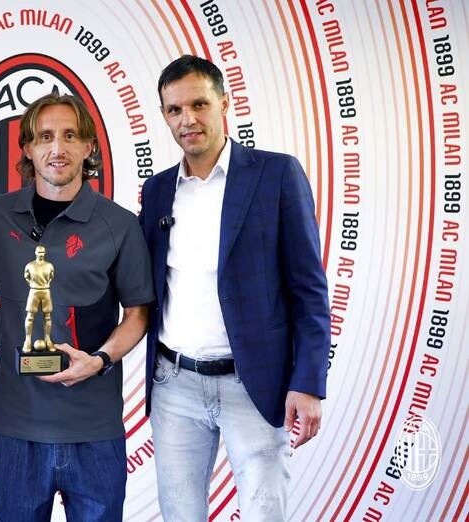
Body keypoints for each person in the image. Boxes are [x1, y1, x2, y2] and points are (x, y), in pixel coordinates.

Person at [139, 55, 330, 521]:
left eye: (199, 105)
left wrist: (308, 383)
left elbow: (309, 291)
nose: (188, 120)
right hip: (174, 386)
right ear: (164, 115)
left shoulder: (277, 175)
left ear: (224, 103)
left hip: (255, 384)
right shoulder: (157, 190)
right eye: (174, 110)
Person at [0, 93, 154, 521]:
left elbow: (138, 314)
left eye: (70, 136)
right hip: (16, 430)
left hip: (94, 430)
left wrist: (100, 360)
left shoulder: (120, 225)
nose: (57, 148)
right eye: (45, 137)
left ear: (89, 146)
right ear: (27, 147)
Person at [23, 245, 55, 352]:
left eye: (42, 253)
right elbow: (27, 277)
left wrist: (44, 285)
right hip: (34, 291)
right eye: (39, 252)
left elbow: (51, 277)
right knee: (30, 316)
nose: (41, 255)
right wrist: (33, 285)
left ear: (45, 253)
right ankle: (27, 340)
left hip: (45, 291)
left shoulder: (49, 265)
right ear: (35, 253)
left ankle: (48, 339)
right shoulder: (30, 266)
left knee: (48, 317)